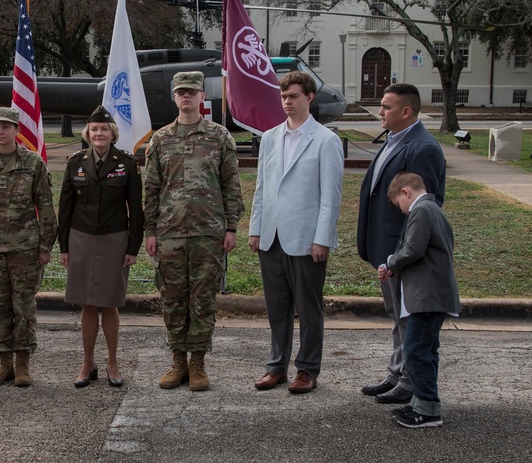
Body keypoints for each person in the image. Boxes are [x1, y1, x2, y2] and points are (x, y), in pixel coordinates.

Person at [143, 71, 243, 392]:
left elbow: (231, 185)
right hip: (170, 233)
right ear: (174, 97)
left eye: (192, 92)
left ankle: (198, 363)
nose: (186, 97)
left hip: (208, 233)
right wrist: (150, 231)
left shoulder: (219, 136)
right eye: (181, 92)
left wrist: (231, 227)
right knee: (172, 299)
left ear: (202, 97)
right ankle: (177, 362)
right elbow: (151, 189)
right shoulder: (160, 139)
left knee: (203, 298)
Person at [248, 72, 344, 394]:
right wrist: (256, 228)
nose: (287, 102)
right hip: (271, 236)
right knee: (277, 307)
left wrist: (322, 238)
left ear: (310, 97)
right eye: (284, 97)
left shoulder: (326, 140)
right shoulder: (271, 137)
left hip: (306, 239)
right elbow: (262, 188)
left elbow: (331, 196)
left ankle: (307, 369)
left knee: (308, 308)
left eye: (294, 96)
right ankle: (276, 368)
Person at [357, 83, 446, 405]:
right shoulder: (394, 140)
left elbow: (426, 208)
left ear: (406, 112)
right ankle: (397, 373)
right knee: (397, 316)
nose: (380, 112)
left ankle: (410, 381)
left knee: (409, 319)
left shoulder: (423, 148)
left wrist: (403, 254)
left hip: (404, 254)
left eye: (386, 107)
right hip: (387, 249)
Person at [0, 107, 57, 388]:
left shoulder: (33, 163)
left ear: (17, 130)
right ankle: (4, 362)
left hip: (25, 248)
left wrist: (45, 245)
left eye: (5, 126)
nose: (0, 132)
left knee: (24, 307)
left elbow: (46, 206)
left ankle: (23, 364)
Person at [58, 105, 143, 388]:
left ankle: (112, 361)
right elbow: (65, 208)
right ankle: (87, 362)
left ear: (113, 133)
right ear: (88, 133)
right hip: (80, 238)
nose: (99, 133)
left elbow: (136, 210)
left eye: (104, 129)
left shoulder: (127, 164)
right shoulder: (74, 163)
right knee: (87, 303)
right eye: (94, 129)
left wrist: (133, 247)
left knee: (109, 303)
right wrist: (64, 247)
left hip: (114, 239)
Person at [379, 172, 460, 428]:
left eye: (398, 203)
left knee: (415, 350)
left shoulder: (421, 210)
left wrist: (391, 262)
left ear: (405, 192)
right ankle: (421, 401)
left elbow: (413, 249)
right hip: (433, 294)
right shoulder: (433, 209)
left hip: (427, 296)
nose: (401, 210)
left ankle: (428, 409)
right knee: (425, 350)